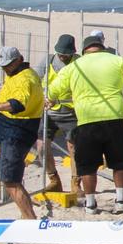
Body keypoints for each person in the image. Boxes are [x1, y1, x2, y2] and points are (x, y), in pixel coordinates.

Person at [48, 32, 123, 214]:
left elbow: (55, 89)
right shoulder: (118, 61)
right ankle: (120, 201)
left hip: (87, 120)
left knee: (87, 166)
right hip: (115, 118)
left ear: (85, 50)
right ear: (102, 46)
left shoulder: (74, 66)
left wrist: (53, 99)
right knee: (120, 162)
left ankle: (91, 204)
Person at [0, 46, 42, 220]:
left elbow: (17, 104)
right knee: (11, 178)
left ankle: (30, 220)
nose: (6, 69)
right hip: (10, 134)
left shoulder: (25, 79)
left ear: (19, 59)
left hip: (16, 134)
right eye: (3, 66)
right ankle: (27, 216)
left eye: (9, 65)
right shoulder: (15, 74)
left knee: (11, 180)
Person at [34, 34, 78, 194]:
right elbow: (34, 79)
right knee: (41, 145)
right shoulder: (49, 60)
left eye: (66, 54)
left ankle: (76, 182)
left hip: (72, 111)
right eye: (60, 54)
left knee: (74, 147)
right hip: (49, 111)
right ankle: (54, 179)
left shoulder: (78, 62)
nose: (63, 56)